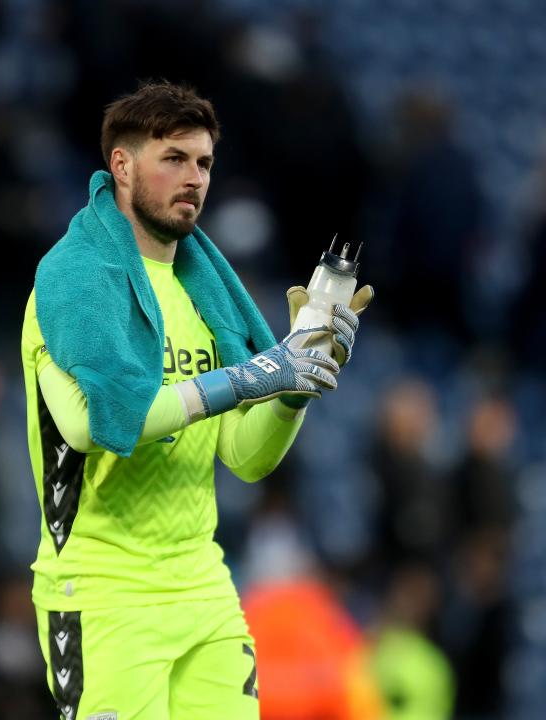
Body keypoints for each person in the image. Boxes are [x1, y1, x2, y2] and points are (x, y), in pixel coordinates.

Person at [21, 81, 372, 719]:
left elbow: (244, 456)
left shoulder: (208, 294)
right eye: (173, 159)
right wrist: (245, 380)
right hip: (105, 594)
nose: (194, 178)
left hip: (204, 588)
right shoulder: (70, 284)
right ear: (121, 166)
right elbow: (90, 426)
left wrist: (294, 384)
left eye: (204, 162)